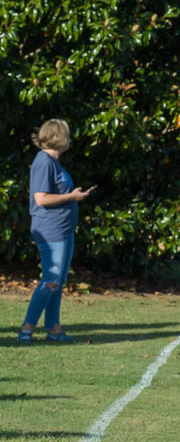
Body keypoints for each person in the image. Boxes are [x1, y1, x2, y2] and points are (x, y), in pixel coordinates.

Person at [18, 119, 95, 344]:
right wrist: (72, 196)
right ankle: (26, 328)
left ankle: (54, 329)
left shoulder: (54, 162)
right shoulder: (44, 161)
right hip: (51, 229)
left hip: (64, 229)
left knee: (58, 282)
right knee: (51, 280)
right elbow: (41, 199)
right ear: (59, 136)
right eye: (67, 134)